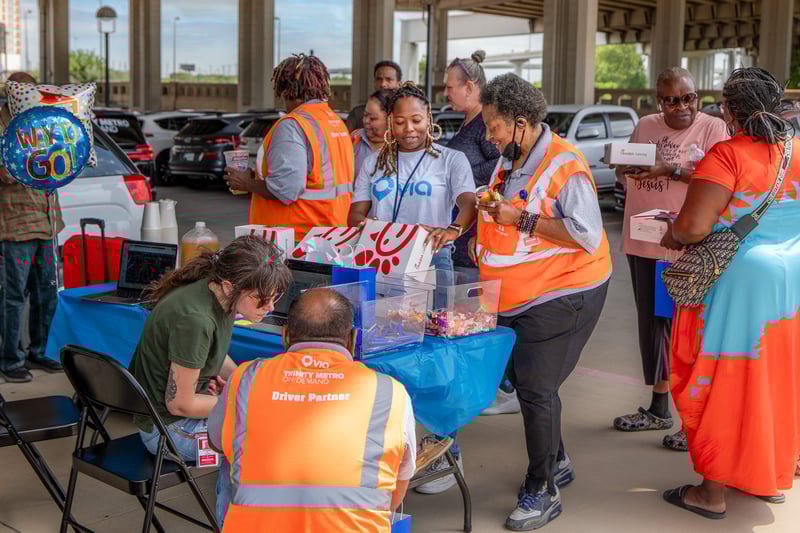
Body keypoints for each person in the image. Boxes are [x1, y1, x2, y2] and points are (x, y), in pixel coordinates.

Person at [471, 73, 611, 531]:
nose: (488, 136)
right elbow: (508, 212)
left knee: (534, 387)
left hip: (564, 290)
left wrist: (521, 218)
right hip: (517, 294)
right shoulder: (511, 159)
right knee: (520, 376)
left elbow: (586, 235)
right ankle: (558, 458)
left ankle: (542, 487)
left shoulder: (565, 165)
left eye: (493, 126)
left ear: (522, 123)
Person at [660, 67, 800, 519]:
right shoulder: (795, 150)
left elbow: (692, 227)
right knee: (776, 374)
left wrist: (671, 230)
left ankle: (712, 491)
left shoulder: (727, 154)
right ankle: (767, 476)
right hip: (791, 278)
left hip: (740, 279)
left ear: (728, 110)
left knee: (726, 373)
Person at [348, 82, 477, 495]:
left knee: (436, 357)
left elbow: (468, 202)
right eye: (399, 120)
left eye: (416, 120)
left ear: (430, 120)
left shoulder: (451, 160)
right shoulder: (373, 162)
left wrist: (454, 228)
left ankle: (445, 448)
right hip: (383, 266)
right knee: (388, 356)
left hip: (431, 263)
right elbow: (358, 209)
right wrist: (358, 227)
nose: (408, 129)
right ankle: (393, 446)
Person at [207, 288, 416, 532]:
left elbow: (216, 441)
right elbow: (399, 484)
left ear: (285, 336)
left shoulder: (245, 379)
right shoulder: (390, 392)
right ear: (352, 338)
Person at [128, 237, 291, 526]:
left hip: (169, 415)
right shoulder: (196, 320)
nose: (269, 307)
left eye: (275, 298)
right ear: (230, 287)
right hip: (166, 430)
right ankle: (231, 526)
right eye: (262, 299)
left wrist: (243, 383)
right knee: (255, 441)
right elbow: (181, 402)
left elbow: (215, 355)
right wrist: (236, 402)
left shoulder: (216, 291)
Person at [612, 67, 728, 452]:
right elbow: (627, 168)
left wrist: (670, 169)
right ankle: (659, 407)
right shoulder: (645, 125)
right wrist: (624, 169)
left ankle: (690, 418)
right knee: (655, 328)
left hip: (686, 246)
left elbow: (719, 180)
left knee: (687, 331)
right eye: (672, 100)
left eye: (689, 98)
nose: (682, 107)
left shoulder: (713, 128)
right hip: (644, 242)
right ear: (658, 100)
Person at [442, 51, 513, 416]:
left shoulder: (484, 130)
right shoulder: (468, 124)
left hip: (477, 233)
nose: (445, 93)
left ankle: (498, 387)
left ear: (470, 87)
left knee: (477, 313)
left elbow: (500, 171)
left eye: (450, 86)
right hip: (465, 231)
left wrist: (474, 229)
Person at [225, 54, 354, 243]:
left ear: (286, 90)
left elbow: (286, 189)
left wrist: (246, 184)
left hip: (296, 238)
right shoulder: (334, 121)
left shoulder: (293, 125)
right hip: (331, 234)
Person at [0, 71, 65, 383]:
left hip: (47, 222)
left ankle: (40, 351)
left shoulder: (44, 124)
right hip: (15, 226)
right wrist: (39, 157)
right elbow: (7, 173)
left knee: (47, 292)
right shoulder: (3, 128)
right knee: (12, 297)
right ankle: (10, 359)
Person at [346, 60, 403, 132]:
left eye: (388, 79)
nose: (383, 84)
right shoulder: (358, 113)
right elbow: (345, 140)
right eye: (379, 79)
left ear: (399, 84)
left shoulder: (406, 113)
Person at [351, 88, 393, 177]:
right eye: (365, 115)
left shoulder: (401, 147)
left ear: (390, 120)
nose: (366, 121)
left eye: (373, 118)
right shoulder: (355, 138)